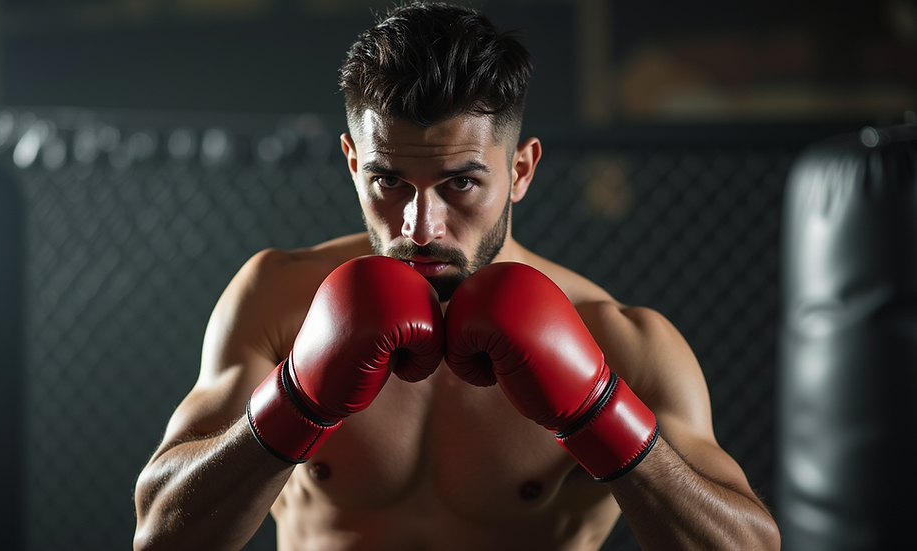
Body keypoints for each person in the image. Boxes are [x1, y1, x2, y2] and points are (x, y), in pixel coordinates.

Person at [132, 3, 781, 550]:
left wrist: (597, 411)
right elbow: (160, 534)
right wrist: (297, 400)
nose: (420, 227)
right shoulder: (278, 298)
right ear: (353, 162)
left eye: (460, 183)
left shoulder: (619, 341)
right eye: (389, 180)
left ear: (520, 170)